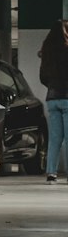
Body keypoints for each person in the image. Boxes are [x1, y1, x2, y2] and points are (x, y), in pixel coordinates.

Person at [38, 19, 68, 184]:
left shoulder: (46, 53)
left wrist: (52, 85)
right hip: (67, 98)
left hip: (52, 99)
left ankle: (51, 173)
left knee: (55, 138)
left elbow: (43, 78)